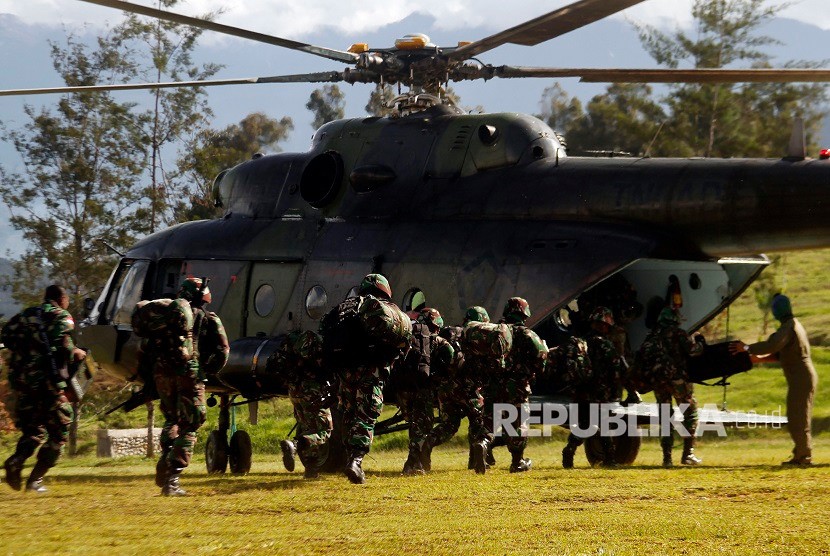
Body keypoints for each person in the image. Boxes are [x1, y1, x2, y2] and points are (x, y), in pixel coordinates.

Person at [321, 273, 410, 484]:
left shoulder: (346, 308)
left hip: (345, 371)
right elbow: (403, 342)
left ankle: (349, 457)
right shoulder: (386, 310)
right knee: (367, 414)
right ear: (385, 290)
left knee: (349, 413)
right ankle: (356, 461)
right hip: (371, 370)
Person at [144, 277, 229, 496]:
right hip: (189, 374)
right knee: (191, 423)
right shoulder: (207, 317)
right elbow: (223, 350)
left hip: (163, 374)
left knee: (172, 419)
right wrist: (208, 370)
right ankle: (172, 480)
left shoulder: (165, 316)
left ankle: (166, 457)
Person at [2, 285, 85, 493]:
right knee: (60, 430)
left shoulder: (25, 315)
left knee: (34, 430)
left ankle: (16, 461)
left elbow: (7, 336)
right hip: (48, 383)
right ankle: (35, 480)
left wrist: (27, 354)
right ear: (62, 299)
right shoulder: (61, 316)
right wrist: (77, 352)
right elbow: (65, 346)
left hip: (23, 382)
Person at [732, 294, 818, 466]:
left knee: (798, 417)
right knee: (797, 416)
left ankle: (803, 456)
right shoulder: (793, 325)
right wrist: (758, 358)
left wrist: (747, 348)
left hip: (800, 377)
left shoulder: (789, 326)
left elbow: (773, 345)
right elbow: (780, 353)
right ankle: (801, 454)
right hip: (801, 376)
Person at [421, 306, 490, 474]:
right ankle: (477, 460)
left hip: (445, 387)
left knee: (449, 424)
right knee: (478, 421)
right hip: (469, 387)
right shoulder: (476, 335)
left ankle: (428, 443)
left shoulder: (449, 332)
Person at [634, 307, 704, 467]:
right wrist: (699, 342)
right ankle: (688, 454)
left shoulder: (651, 336)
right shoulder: (678, 333)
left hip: (659, 383)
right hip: (679, 381)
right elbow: (694, 351)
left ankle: (667, 458)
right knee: (690, 413)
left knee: (665, 419)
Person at [487, 297, 546, 473]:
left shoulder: (496, 331)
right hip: (517, 387)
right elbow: (540, 357)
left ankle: (484, 448)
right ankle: (517, 462)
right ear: (524, 313)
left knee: (493, 422)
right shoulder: (526, 333)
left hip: (494, 385)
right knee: (517, 422)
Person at [563, 306, 625, 467]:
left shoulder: (582, 342)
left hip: (581, 390)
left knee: (584, 424)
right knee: (604, 424)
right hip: (599, 392)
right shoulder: (605, 344)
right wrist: (617, 390)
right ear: (605, 324)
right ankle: (610, 459)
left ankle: (569, 449)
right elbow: (616, 368)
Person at [275, 330, 334, 479]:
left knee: (308, 428)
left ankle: (311, 471)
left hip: (294, 390)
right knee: (324, 429)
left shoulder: (294, 342)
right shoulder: (317, 343)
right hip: (312, 390)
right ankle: (294, 445)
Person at [396, 308, 447, 475]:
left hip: (403, 389)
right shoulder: (435, 340)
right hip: (422, 388)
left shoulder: (407, 336)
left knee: (414, 426)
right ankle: (412, 464)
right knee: (423, 427)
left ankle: (420, 462)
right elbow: (451, 355)